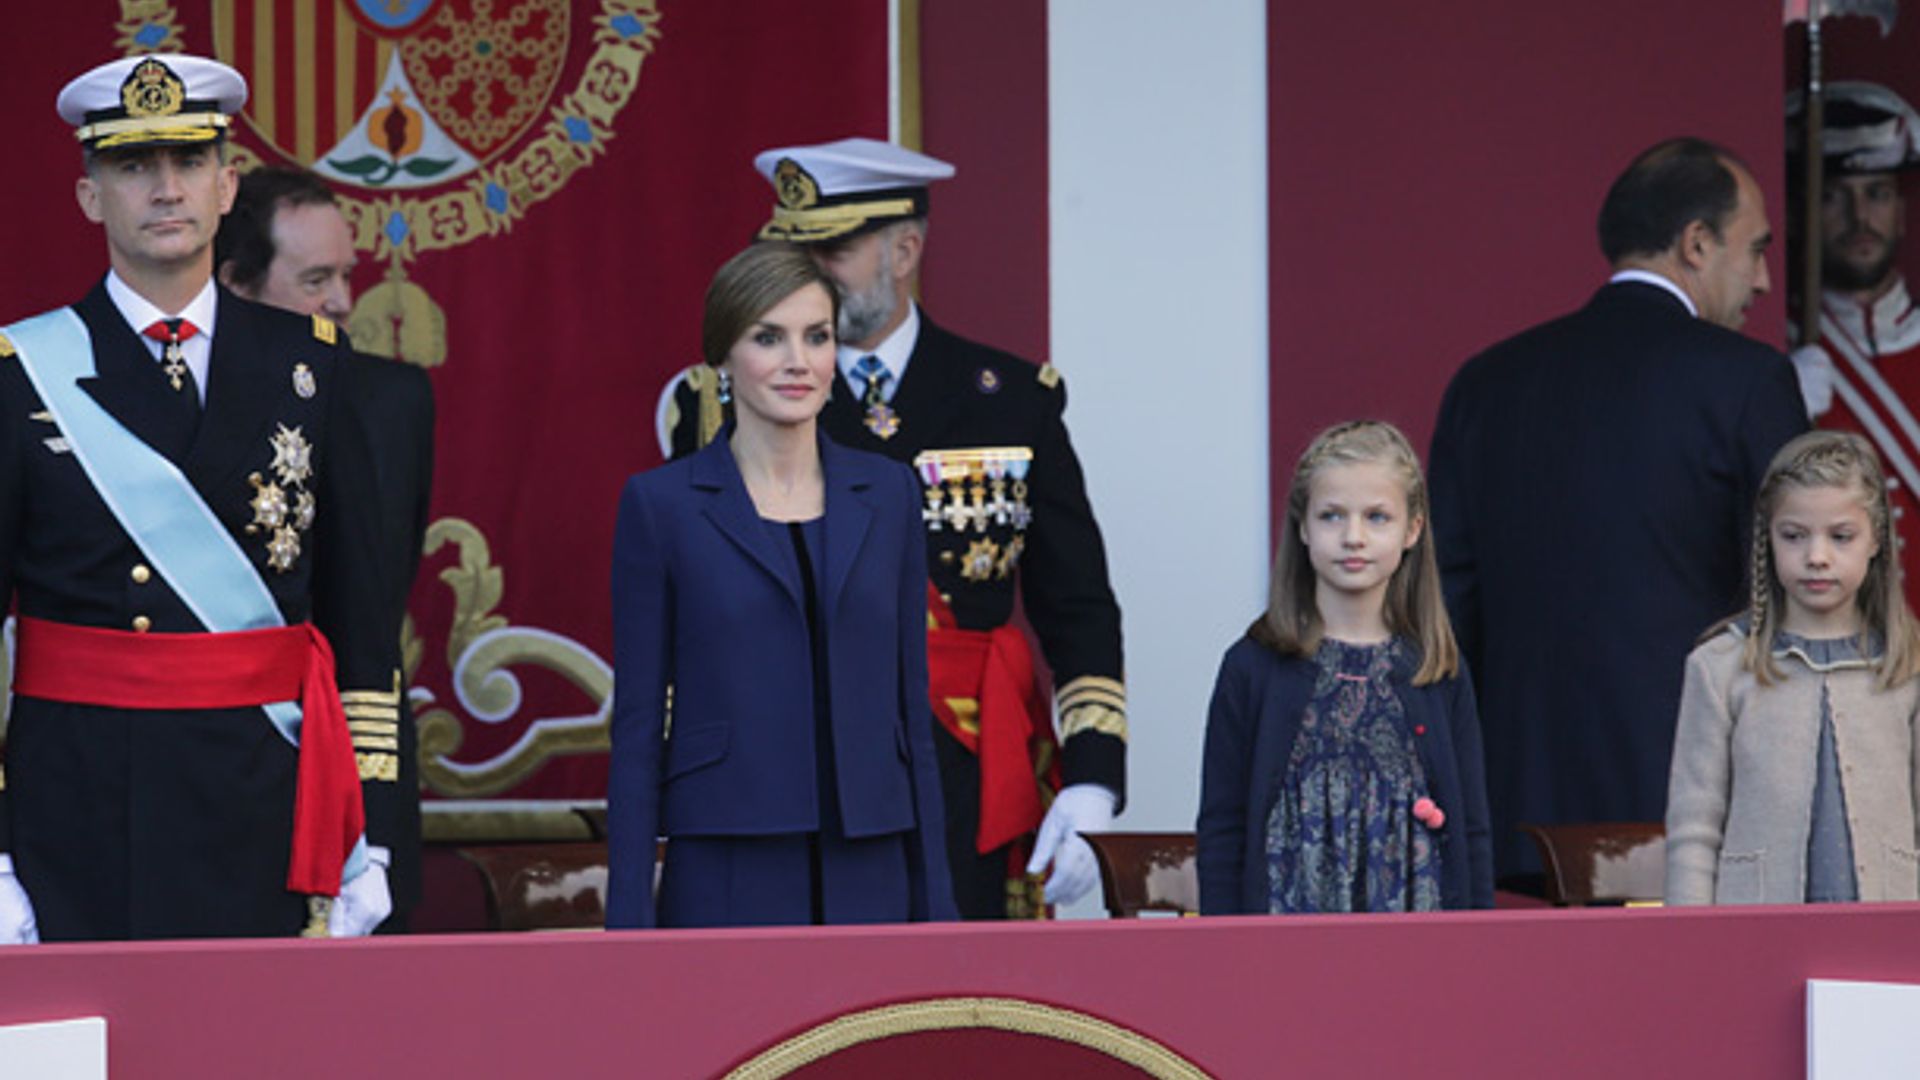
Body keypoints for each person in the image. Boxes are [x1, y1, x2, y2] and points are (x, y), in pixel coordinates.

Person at [663, 138, 1126, 918]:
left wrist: (1091, 778)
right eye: (793, 250)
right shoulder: (720, 400)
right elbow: (692, 618)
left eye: (833, 251)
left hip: (962, 770)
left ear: (904, 248)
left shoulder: (1012, 398)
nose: (807, 275)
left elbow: (1076, 605)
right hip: (789, 768)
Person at [0, 54, 394, 941]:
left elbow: (362, 624)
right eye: (133, 166)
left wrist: (372, 832)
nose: (165, 188)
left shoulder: (315, 366)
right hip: (81, 808)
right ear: (90, 197)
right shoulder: (20, 375)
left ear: (227, 185)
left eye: (187, 162)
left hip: (272, 797)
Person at [1428, 137, 1810, 880]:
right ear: (1696, 244)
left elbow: (1445, 614)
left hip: (1515, 814)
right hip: (1698, 816)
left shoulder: (1487, 383)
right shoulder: (1749, 382)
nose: (1764, 279)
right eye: (1755, 248)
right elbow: (1793, 601)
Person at [606, 242, 954, 928]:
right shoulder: (663, 505)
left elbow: (912, 713)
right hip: (728, 858)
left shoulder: (887, 494)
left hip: (873, 855)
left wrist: (936, 899)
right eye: (769, 337)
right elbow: (640, 727)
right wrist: (628, 918)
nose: (798, 360)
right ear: (724, 357)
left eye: (816, 337)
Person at [216, 166, 435, 931]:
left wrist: (370, 822)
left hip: (351, 751)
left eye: (347, 273)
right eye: (316, 279)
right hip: (205, 764)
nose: (344, 300)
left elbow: (374, 606)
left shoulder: (392, 400)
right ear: (236, 285)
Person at [1197, 421, 1492, 914]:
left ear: (1412, 529)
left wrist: (1480, 943)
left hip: (1416, 948)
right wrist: (1225, 950)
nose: (1353, 537)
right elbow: (1222, 829)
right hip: (1282, 949)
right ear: (1303, 527)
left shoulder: (1438, 669)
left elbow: (1472, 830)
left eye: (1377, 517)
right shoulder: (1252, 668)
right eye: (1332, 516)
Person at [1666, 431, 1920, 905]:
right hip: (1752, 945)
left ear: (1876, 540)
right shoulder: (1719, 667)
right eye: (1794, 536)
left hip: (1888, 946)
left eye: (1841, 536)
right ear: (1768, 538)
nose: (1817, 556)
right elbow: (1694, 831)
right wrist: (1690, 948)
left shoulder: (1910, 665)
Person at [1786, 84, 1920, 609]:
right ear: (1799, 216)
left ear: (1902, 213)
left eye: (1877, 194)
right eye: (1833, 196)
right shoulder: (1781, 354)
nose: (1859, 217)